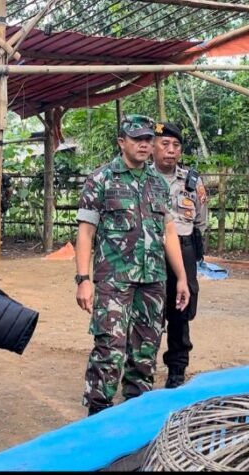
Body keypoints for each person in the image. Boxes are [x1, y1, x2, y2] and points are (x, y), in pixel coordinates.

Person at [74, 114, 190, 416]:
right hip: (114, 280)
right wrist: (83, 279)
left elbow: (169, 232)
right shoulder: (101, 179)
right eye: (137, 139)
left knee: (145, 350)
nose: (144, 144)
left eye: (148, 139)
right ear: (121, 142)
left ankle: (135, 413)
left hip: (153, 280)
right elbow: (85, 233)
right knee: (109, 347)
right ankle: (98, 413)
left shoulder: (157, 183)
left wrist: (181, 277)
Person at [152, 122, 207, 389]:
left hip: (184, 247)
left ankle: (176, 369)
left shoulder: (192, 181)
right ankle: (142, 366)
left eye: (176, 145)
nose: (171, 150)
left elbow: (201, 220)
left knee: (180, 310)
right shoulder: (142, 178)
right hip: (150, 249)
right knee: (148, 309)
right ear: (153, 147)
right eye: (165, 144)